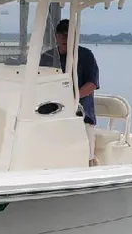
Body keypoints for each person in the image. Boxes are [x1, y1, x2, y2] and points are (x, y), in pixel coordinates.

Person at [42, 18, 100, 165]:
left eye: (68, 35)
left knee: (86, 157)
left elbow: (92, 84)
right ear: (56, 36)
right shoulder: (46, 58)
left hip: (82, 115)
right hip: (51, 115)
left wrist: (71, 98)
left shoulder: (86, 56)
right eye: (61, 34)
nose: (64, 38)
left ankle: (90, 162)